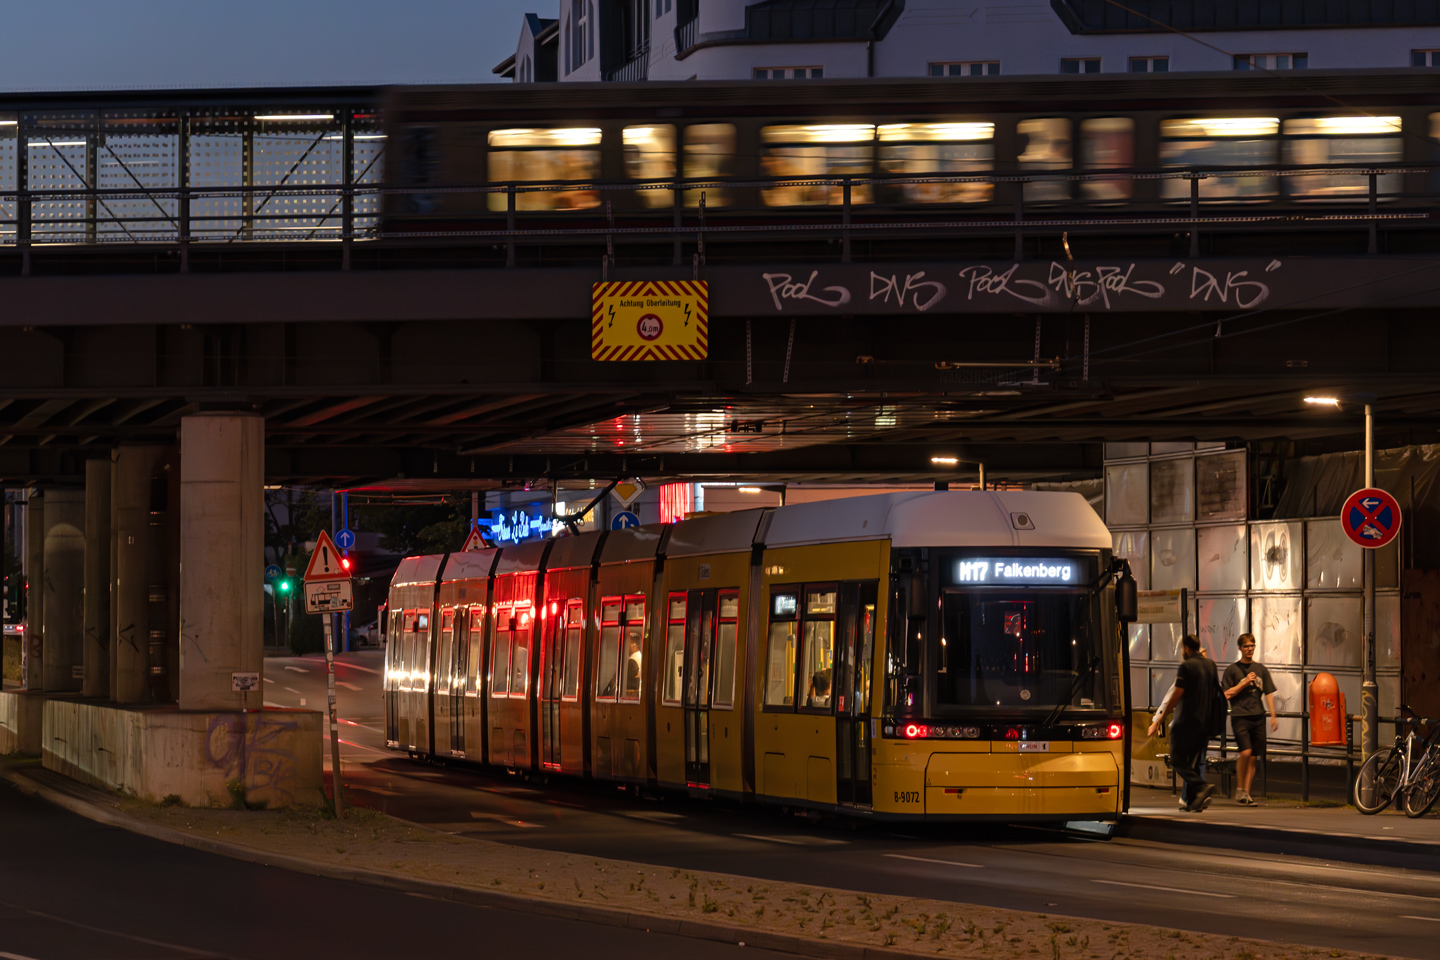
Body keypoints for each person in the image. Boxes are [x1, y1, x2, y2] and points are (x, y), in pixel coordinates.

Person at [1147, 635, 1220, 812]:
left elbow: (1176, 695)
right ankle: (1193, 801)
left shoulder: (1186, 666)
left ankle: (1201, 786)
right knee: (1194, 762)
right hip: (1204, 722)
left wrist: (1160, 720)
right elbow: (1215, 693)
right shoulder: (1211, 665)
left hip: (1186, 722)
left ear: (1186, 648)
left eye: (1182, 648)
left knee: (1177, 759)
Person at [1223, 633, 1277, 805]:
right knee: (1245, 752)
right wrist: (1244, 682)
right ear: (1240, 648)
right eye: (1246, 646)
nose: (1249, 649)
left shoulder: (1261, 669)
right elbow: (1226, 694)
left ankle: (1246, 792)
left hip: (1258, 716)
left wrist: (1273, 715)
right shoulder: (1232, 670)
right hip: (1240, 716)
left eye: (1252, 645)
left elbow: (1268, 692)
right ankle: (1239, 788)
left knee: (1253, 756)